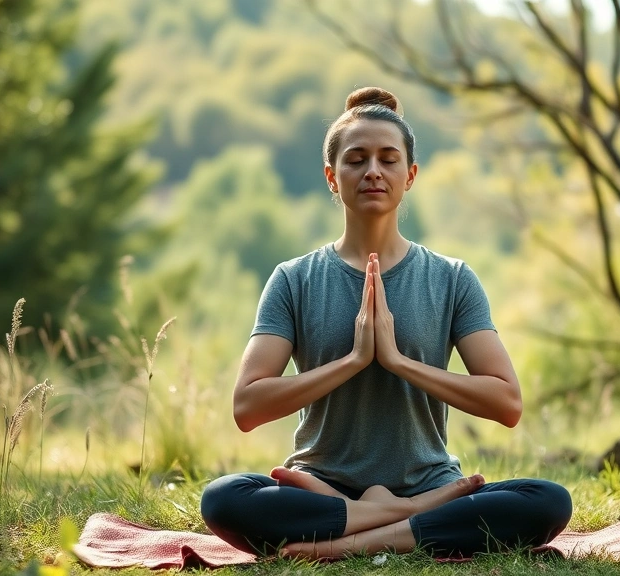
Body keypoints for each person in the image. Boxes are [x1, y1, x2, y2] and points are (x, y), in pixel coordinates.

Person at [200, 87, 572, 560]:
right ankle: (413, 516)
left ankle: (353, 538)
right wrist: (354, 360)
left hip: (428, 479)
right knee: (224, 497)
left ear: (410, 175)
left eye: (387, 158)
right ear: (332, 177)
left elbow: (507, 402)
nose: (373, 170)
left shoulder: (452, 279)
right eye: (356, 159)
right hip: (319, 486)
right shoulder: (293, 279)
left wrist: (398, 362)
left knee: (547, 501)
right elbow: (247, 407)